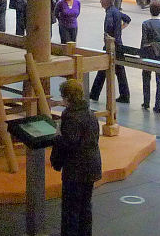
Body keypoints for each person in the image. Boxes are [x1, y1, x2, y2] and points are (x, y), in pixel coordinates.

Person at [50, 78, 101, 236]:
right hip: (92, 166)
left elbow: (70, 143)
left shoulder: (71, 116)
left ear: (67, 97)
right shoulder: (90, 113)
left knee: (71, 210)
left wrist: (56, 138)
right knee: (85, 208)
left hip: (76, 170)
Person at [88, 0, 130, 103]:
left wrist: (108, 35)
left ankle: (94, 94)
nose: (100, 1)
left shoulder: (110, 13)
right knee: (120, 71)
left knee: (103, 69)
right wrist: (120, 29)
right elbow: (127, 19)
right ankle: (124, 95)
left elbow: (109, 26)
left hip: (111, 45)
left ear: (106, 1)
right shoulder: (116, 11)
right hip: (118, 44)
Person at [139, 1, 160, 113]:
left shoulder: (145, 23)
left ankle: (146, 102)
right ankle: (158, 106)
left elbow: (144, 40)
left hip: (149, 53)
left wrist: (140, 53)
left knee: (146, 78)